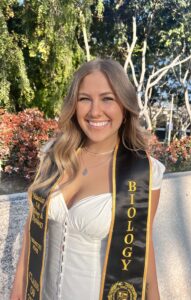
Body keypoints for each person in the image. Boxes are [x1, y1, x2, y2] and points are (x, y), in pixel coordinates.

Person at [10, 58, 165, 300]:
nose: (94, 111)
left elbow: (142, 249)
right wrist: (18, 286)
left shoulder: (143, 172)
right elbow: (33, 225)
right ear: (74, 105)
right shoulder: (53, 156)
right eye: (84, 99)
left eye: (107, 98)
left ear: (125, 107)